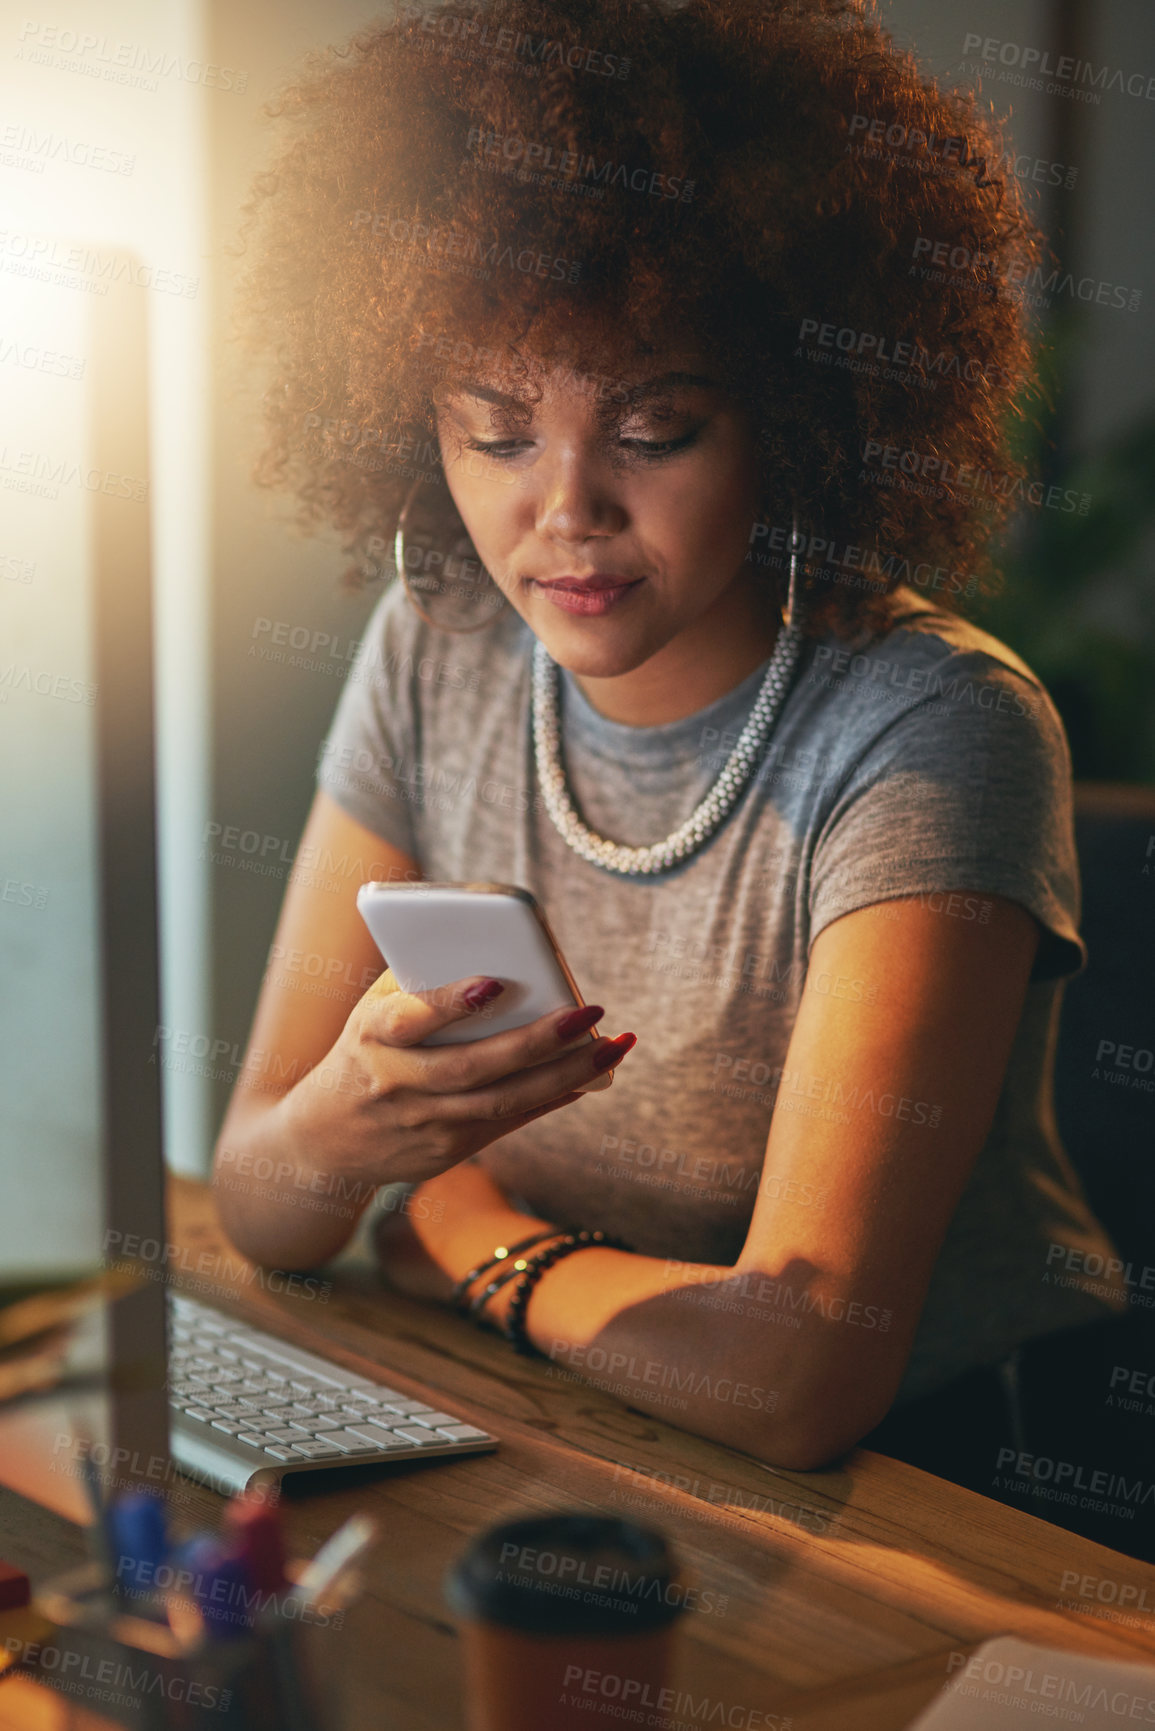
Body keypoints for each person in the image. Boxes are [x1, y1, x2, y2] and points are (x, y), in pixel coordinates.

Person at [214, 0, 1148, 1553]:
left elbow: (802, 1377)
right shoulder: (438, 635)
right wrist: (344, 1136)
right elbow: (260, 1197)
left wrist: (463, 1233)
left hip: (935, 1502)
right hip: (582, 1419)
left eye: (655, 428)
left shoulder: (935, 730)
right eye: (496, 432)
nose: (562, 512)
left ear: (798, 424)